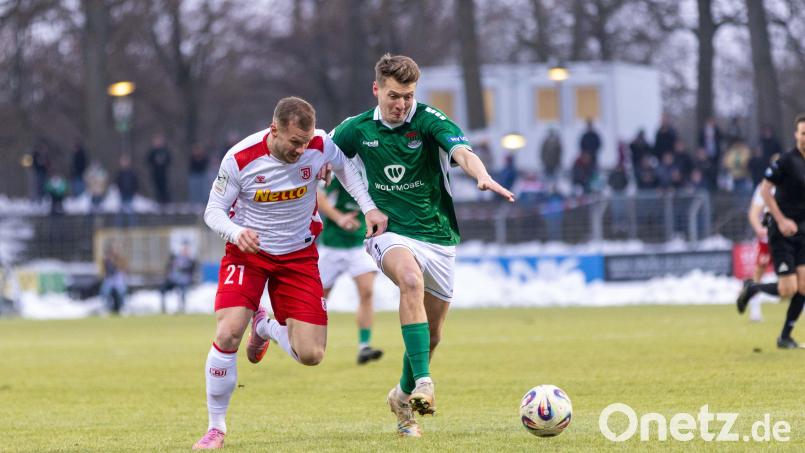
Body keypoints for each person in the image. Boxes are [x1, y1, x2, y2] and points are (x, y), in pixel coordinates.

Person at [330, 54, 514, 438]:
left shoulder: (429, 119)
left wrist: (481, 176)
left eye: (409, 96)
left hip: (438, 235)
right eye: (394, 95)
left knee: (433, 334)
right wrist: (365, 206)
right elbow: (328, 160)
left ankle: (401, 396)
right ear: (376, 89)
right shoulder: (355, 129)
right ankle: (424, 384)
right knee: (410, 280)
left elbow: (462, 151)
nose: (401, 104)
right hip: (390, 234)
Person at [193, 96, 387, 449]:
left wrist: (369, 208)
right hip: (247, 253)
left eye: (306, 141)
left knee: (311, 355)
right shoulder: (240, 158)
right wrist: (237, 233)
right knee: (228, 333)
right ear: (274, 130)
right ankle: (216, 427)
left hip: (298, 256)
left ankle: (264, 326)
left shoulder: (319, 145)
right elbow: (213, 211)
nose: (301, 149)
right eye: (294, 141)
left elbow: (347, 171)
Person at [737, 114, 805, 349]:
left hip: (803, 232)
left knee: (804, 286)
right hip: (782, 231)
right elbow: (765, 192)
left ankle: (785, 337)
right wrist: (782, 219)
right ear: (796, 135)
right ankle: (752, 288)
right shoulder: (786, 161)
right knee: (788, 289)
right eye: (803, 133)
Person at [316, 179, 384, 364]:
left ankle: (364, 346)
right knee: (318, 299)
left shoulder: (372, 172)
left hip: (360, 244)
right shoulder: (341, 173)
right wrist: (340, 218)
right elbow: (318, 196)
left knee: (367, 292)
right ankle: (306, 340)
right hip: (332, 245)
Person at [736, 179, 779, 322]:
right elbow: (754, 212)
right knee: (760, 271)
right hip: (769, 238)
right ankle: (755, 310)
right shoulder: (765, 187)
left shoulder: (796, 182)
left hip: (790, 235)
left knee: (797, 273)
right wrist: (759, 229)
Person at [159, 240, 197, 314]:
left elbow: (192, 270)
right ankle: (163, 308)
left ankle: (182, 308)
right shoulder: (175, 258)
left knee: (182, 291)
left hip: (183, 281)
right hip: (173, 280)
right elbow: (168, 268)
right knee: (163, 289)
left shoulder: (190, 260)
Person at [100, 241, 128, 315]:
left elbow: (123, 268)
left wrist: (115, 262)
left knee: (121, 291)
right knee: (104, 292)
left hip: (118, 277)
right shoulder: (106, 259)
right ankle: (105, 308)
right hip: (109, 278)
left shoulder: (120, 258)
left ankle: (122, 307)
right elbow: (105, 270)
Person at [146, 133, 172, 206]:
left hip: (163, 173)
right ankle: (158, 201)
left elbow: (169, 160)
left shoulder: (165, 151)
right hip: (155, 173)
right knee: (156, 188)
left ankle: (166, 202)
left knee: (165, 188)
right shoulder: (152, 152)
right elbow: (148, 160)